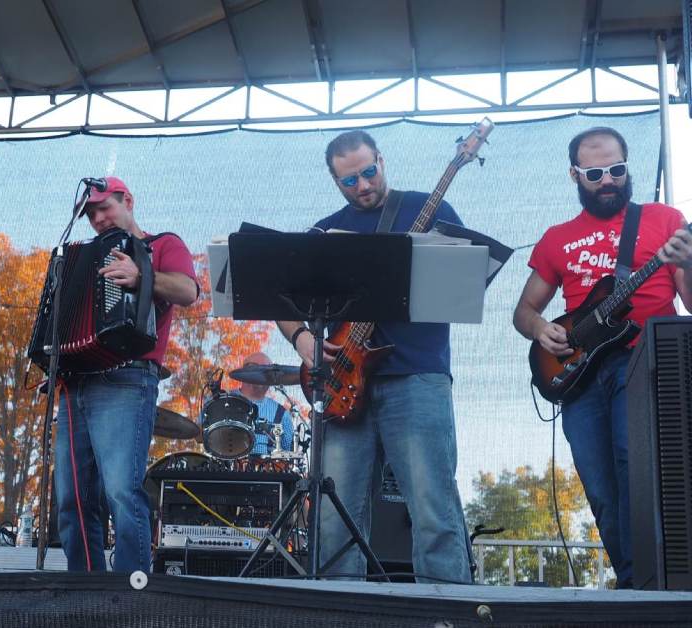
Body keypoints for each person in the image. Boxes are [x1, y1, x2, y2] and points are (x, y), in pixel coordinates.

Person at [276, 130, 472, 583]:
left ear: (381, 160)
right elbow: (276, 300)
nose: (363, 185)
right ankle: (340, 612)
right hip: (343, 382)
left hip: (417, 376)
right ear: (334, 182)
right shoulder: (325, 232)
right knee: (334, 512)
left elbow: (466, 282)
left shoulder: (432, 208)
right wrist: (303, 340)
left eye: (369, 172)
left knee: (432, 506)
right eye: (349, 181)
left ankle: (446, 612)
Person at [513, 127, 692, 589]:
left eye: (617, 169)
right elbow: (524, 311)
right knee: (599, 487)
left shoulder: (665, 219)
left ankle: (660, 586)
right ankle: (633, 585)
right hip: (578, 374)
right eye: (595, 173)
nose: (608, 179)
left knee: (640, 472)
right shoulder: (557, 239)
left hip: (644, 364)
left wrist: (688, 263)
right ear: (575, 174)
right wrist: (542, 330)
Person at [53, 176, 198, 573]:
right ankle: (86, 592)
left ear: (128, 201)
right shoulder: (83, 256)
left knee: (120, 490)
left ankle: (133, 591)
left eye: (105, 208)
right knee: (71, 499)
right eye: (91, 214)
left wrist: (141, 275)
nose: (98, 219)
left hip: (127, 378)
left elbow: (188, 291)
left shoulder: (163, 244)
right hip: (76, 379)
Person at [230, 352, 303, 457]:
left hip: (265, 471)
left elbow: (288, 454)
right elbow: (201, 436)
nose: (261, 374)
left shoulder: (282, 413)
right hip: (225, 469)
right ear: (245, 373)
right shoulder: (223, 401)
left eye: (266, 372)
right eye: (256, 369)